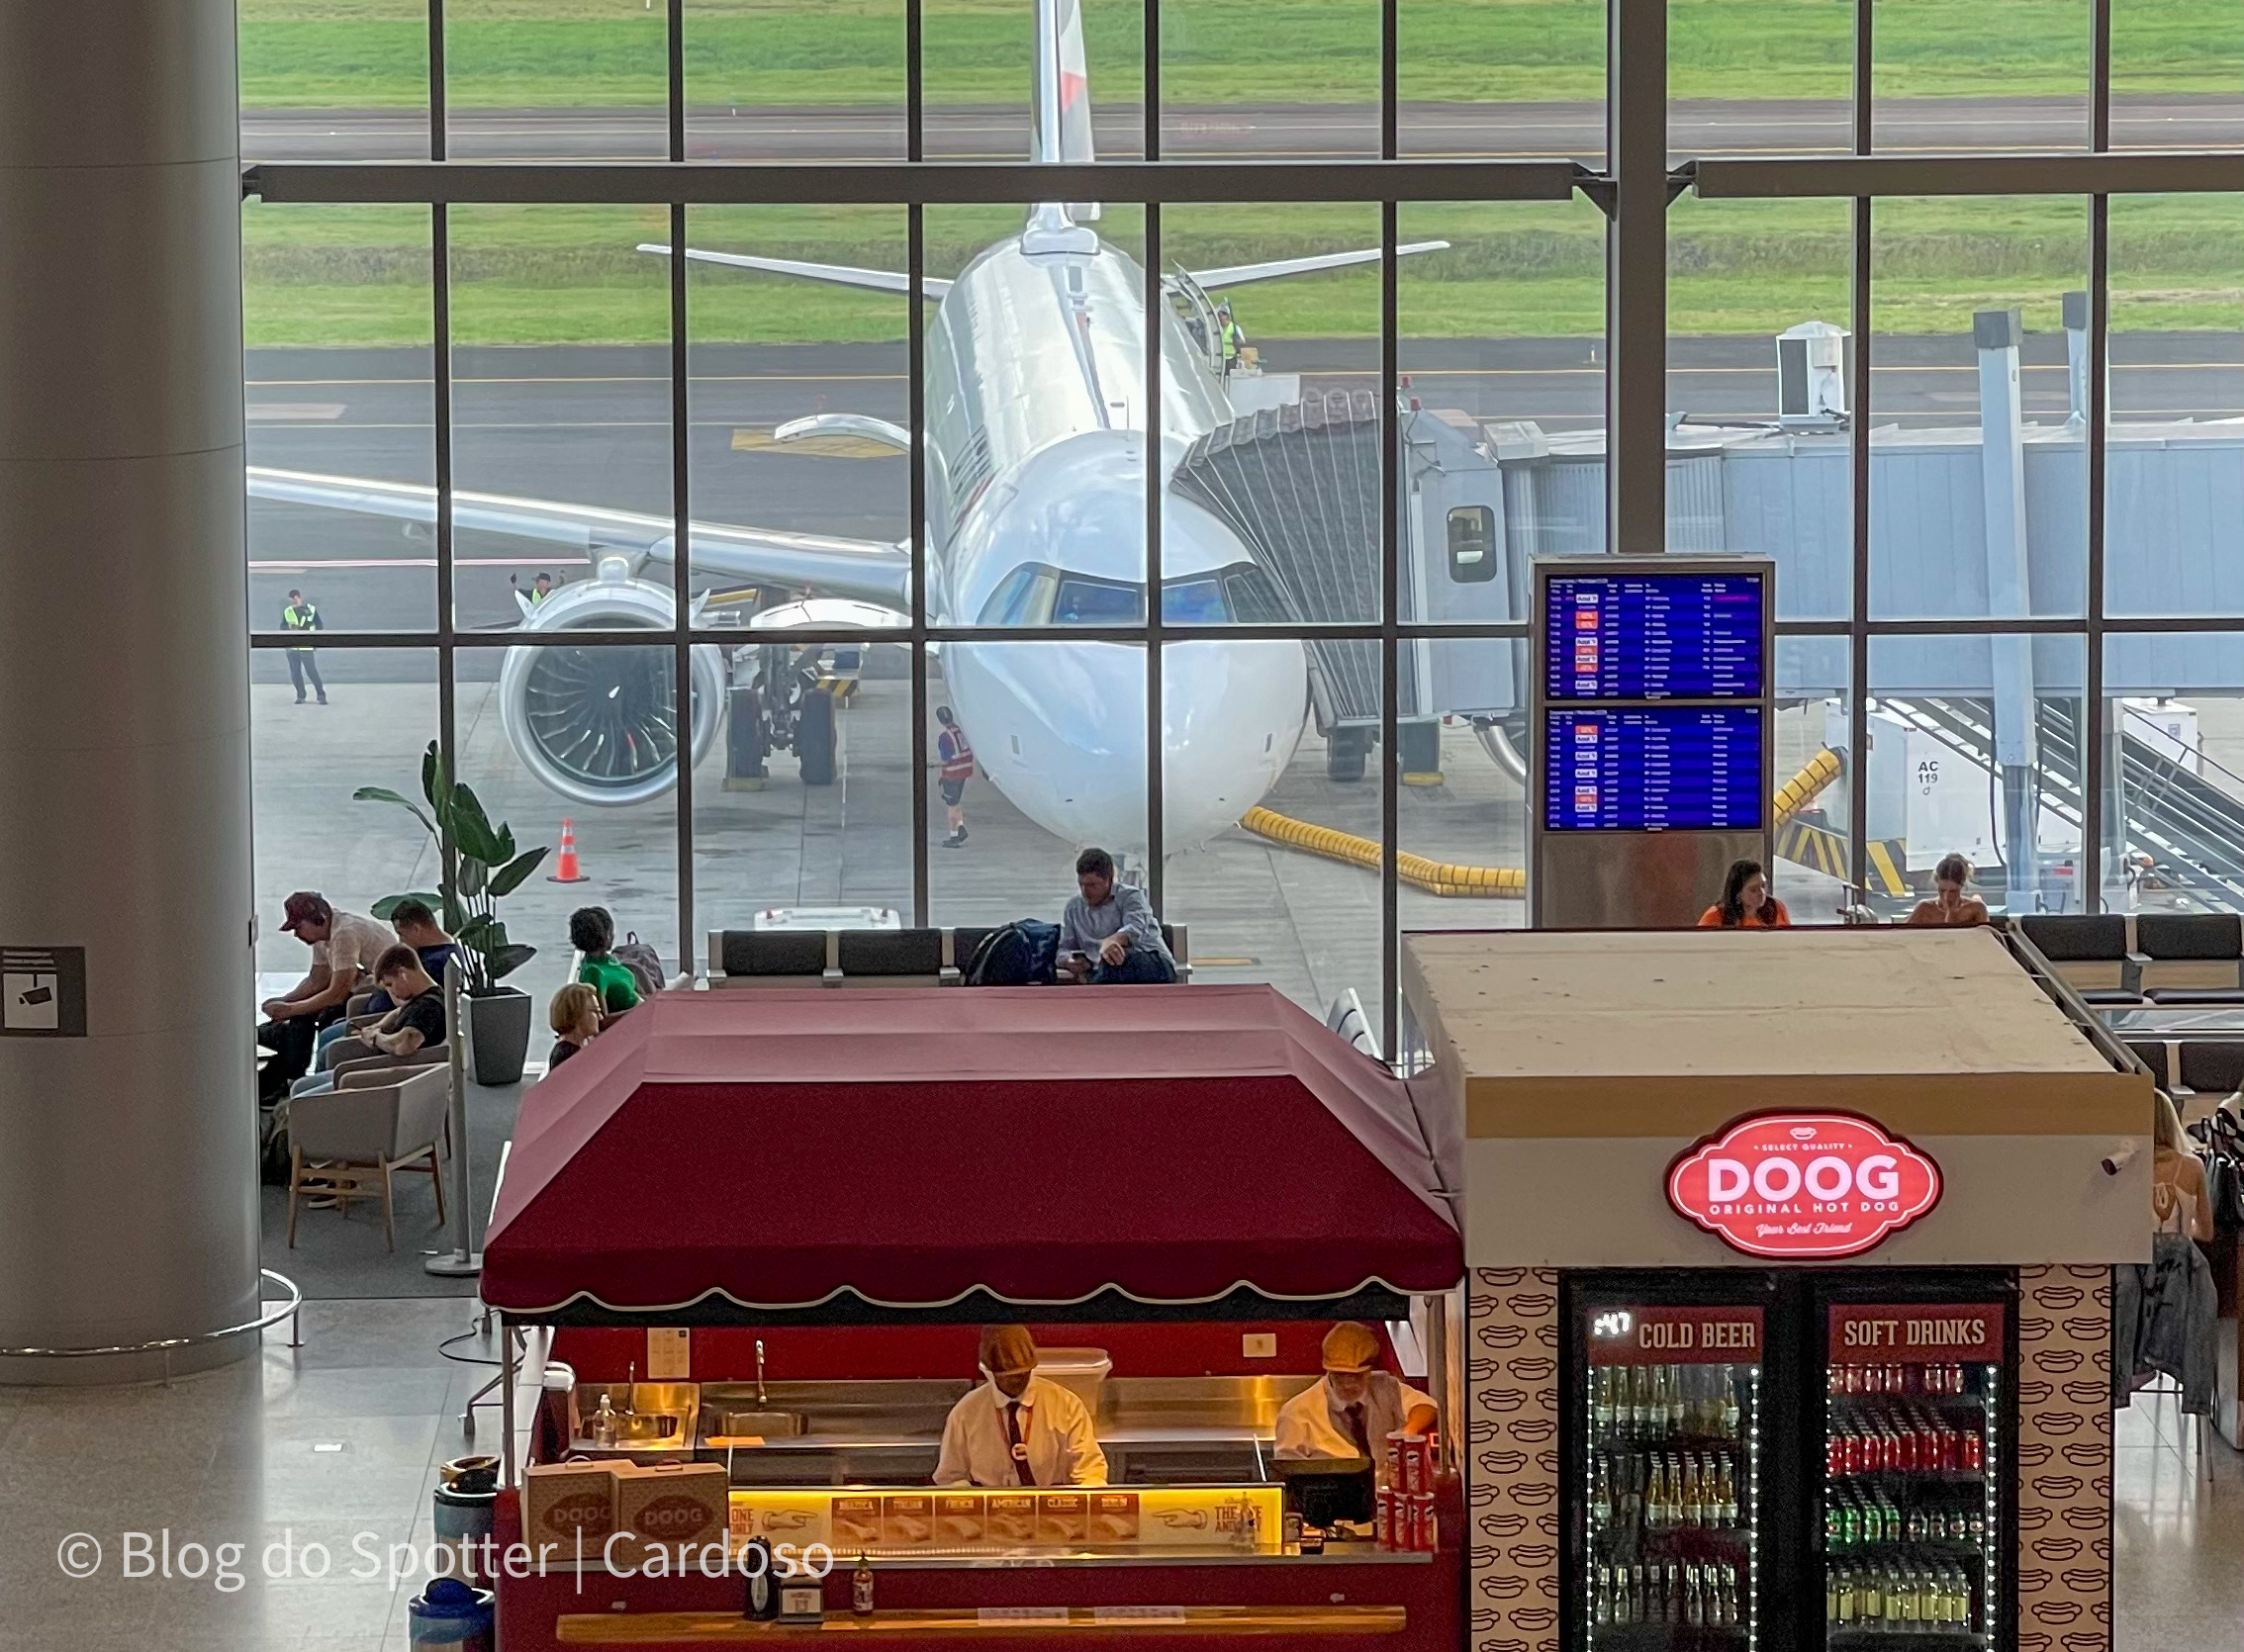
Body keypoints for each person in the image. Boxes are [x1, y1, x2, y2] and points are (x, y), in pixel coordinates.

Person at [934, 1327, 1107, 1488]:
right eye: (1009, 1376)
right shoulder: (966, 1413)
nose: (1017, 1380)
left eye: (1023, 1373)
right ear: (991, 1372)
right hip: (991, 1511)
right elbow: (950, 1478)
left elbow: (1090, 1471)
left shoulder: (1066, 1405)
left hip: (1053, 1508)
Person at [258, 893, 398, 1090]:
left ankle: (289, 1078)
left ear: (319, 919)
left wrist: (290, 1009)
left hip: (378, 997)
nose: (297, 935)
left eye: (298, 927)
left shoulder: (344, 934)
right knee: (300, 1017)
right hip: (359, 990)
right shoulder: (323, 936)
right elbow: (317, 979)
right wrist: (284, 1001)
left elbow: (336, 993)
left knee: (307, 1016)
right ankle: (286, 1075)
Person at [1274, 1323, 1439, 1480]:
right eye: (1339, 1375)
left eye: (1357, 1376)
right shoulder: (1295, 1412)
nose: (1348, 1384)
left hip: (1384, 1495)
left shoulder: (1385, 1387)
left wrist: (1406, 1433)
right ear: (1327, 1370)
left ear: (1370, 1371)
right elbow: (1287, 1474)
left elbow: (1426, 1406)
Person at [288, 947, 447, 1098]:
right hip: (377, 1068)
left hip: (383, 1077)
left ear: (402, 973)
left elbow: (403, 1045)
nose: (393, 993)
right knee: (299, 1086)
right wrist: (378, 1026)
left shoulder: (428, 1006)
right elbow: (399, 1011)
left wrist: (375, 1038)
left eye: (390, 984)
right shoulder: (428, 994)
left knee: (301, 1098)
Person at [1058, 848, 1176, 984]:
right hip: (1099, 969)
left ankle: (1094, 989)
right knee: (1107, 966)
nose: (1085, 892)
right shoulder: (1073, 908)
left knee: (1116, 959)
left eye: (1092, 885)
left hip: (1150, 961)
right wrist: (1068, 960)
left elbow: (1135, 928)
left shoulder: (1130, 897)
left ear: (1109, 880)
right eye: (1081, 885)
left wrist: (1112, 940)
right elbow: (1064, 947)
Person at [2153, 1090, 2215, 1243]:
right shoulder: (2193, 1167)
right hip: (2180, 1264)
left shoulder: (2125, 1169)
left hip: (2137, 1265)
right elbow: (2206, 1233)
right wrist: (2185, 1227)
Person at [570, 906, 641, 1021]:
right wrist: (641, 1009)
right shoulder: (593, 972)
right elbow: (602, 1019)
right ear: (606, 935)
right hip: (634, 1021)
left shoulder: (609, 959)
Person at [1698, 859, 1791, 929]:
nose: (1761, 893)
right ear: (1738, 893)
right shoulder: (1716, 916)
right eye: (1753, 890)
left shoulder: (1776, 907)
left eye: (1763, 886)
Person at [1906, 854, 1991, 927]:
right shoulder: (1924, 908)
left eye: (1953, 891)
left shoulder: (1976, 909)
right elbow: (1901, 935)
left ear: (1961, 887)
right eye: (1942, 890)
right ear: (1937, 883)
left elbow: (1985, 940)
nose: (1946, 897)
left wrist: (1951, 913)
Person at [936, 705, 974, 849]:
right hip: (964, 771)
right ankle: (961, 829)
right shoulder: (959, 730)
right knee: (956, 803)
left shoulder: (945, 737)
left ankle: (954, 837)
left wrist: (936, 767)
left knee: (951, 806)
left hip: (952, 773)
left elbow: (946, 758)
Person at [281, 589, 327, 705]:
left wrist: (314, 640)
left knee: (311, 671)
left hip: (306, 646)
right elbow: (283, 627)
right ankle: (301, 695)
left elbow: (318, 625)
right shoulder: (288, 611)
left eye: (293, 599)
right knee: (295, 673)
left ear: (298, 597)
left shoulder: (310, 610)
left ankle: (321, 694)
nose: (292, 602)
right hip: (292, 647)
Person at [546, 982, 604, 1071]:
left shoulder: (579, 1045)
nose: (600, 1017)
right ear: (577, 1014)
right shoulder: (568, 1056)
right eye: (595, 1011)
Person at [1217, 303, 1244, 375]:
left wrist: (1237, 340)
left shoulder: (1234, 328)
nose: (1221, 318)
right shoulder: (1215, 328)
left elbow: (1242, 343)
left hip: (1230, 359)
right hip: (1219, 359)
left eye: (1223, 315)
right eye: (1219, 316)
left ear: (1227, 316)